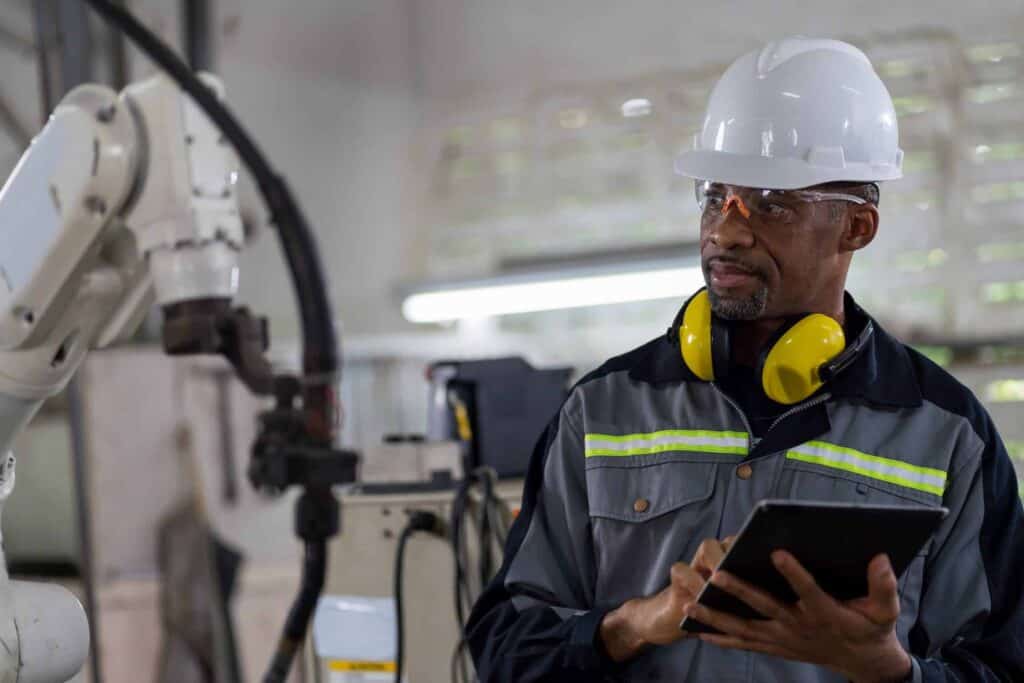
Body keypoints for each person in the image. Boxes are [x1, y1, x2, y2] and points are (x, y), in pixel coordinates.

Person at [465, 38, 1024, 682]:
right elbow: (505, 650)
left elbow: (1001, 668)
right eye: (715, 196)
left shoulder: (948, 435)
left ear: (857, 227)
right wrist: (634, 624)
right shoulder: (600, 411)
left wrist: (889, 671)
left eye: (773, 203)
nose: (725, 231)